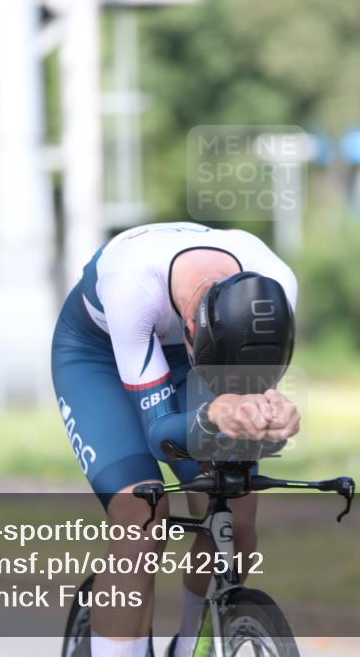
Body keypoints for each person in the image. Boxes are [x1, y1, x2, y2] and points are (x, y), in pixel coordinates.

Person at [51, 221, 301, 657]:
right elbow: (160, 434)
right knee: (141, 516)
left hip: (194, 357)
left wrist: (272, 414)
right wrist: (214, 412)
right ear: (189, 324)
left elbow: (258, 387)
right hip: (99, 357)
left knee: (237, 521)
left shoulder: (274, 284)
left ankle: (189, 646)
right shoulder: (131, 284)